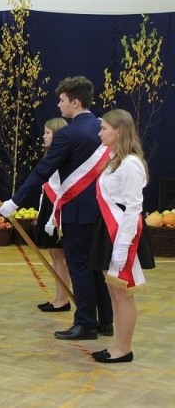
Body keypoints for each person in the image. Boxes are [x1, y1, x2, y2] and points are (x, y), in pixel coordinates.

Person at [0, 76, 113, 340]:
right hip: (102, 210)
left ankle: (85, 323)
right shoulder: (103, 127)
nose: (59, 105)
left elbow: (42, 171)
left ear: (75, 102)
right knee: (97, 267)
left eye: (62, 100)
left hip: (77, 211)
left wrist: (15, 202)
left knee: (80, 267)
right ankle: (106, 321)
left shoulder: (68, 134)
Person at [90, 109, 155, 363]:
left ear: (119, 130)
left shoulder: (130, 163)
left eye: (104, 128)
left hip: (123, 233)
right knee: (113, 291)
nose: (100, 133)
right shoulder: (116, 158)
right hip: (108, 229)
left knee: (123, 292)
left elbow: (133, 208)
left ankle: (123, 349)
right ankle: (118, 345)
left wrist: (123, 246)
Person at [34, 118, 72, 312]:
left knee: (60, 256)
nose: (44, 136)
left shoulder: (62, 157)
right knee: (54, 255)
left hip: (58, 208)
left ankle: (63, 299)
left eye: (47, 133)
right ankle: (58, 296)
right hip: (49, 205)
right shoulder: (50, 155)